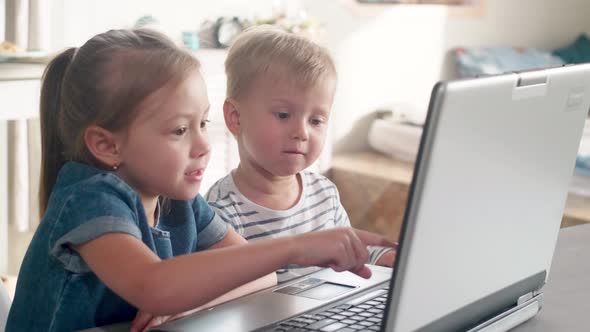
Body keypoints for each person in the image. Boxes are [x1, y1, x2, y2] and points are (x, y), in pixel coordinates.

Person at [5, 29, 394, 332]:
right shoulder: (90, 198)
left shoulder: (179, 200)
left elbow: (262, 275)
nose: (203, 146)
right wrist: (295, 246)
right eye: (179, 130)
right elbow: (154, 286)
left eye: (202, 124)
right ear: (107, 146)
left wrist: (192, 303)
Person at [205, 26, 396, 274]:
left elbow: (350, 252)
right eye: (283, 115)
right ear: (236, 118)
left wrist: (386, 257)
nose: (302, 132)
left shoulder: (324, 193)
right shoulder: (220, 210)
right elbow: (223, 289)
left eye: (316, 121)